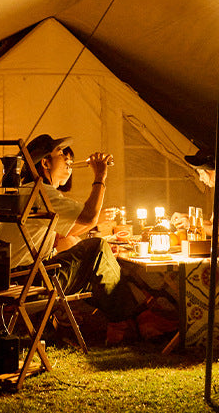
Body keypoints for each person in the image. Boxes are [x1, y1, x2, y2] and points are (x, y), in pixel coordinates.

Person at [10, 133, 140, 342]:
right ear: (45, 162)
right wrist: (100, 176)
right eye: (61, 154)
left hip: (10, 277)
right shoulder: (41, 193)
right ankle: (129, 319)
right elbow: (88, 216)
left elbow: (68, 231)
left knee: (96, 254)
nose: (67, 160)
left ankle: (128, 319)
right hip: (29, 283)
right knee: (97, 247)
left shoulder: (23, 191)